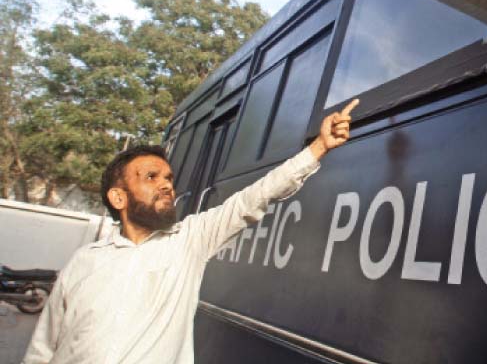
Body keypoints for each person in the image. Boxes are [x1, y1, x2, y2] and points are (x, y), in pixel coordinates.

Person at [23, 99, 359, 364]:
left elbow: (254, 198)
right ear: (118, 196)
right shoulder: (83, 262)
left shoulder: (188, 241)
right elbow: (43, 349)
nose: (167, 186)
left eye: (168, 178)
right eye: (151, 178)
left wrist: (318, 148)